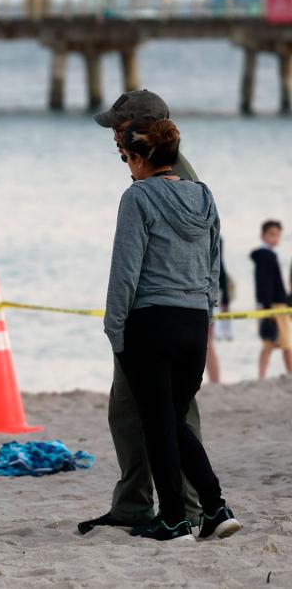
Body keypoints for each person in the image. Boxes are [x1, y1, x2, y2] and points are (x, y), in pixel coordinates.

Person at [103, 116, 240, 541]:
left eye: (127, 156)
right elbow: (214, 260)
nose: (127, 165)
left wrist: (114, 328)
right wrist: (207, 313)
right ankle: (213, 509)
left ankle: (176, 519)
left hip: (151, 323)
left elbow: (125, 271)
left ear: (143, 157)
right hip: (194, 322)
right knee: (173, 420)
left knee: (159, 423)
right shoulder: (203, 195)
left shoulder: (138, 197)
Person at [79, 89, 204, 534]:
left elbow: (139, 262)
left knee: (173, 412)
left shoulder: (164, 180)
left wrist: (117, 325)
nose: (112, 137)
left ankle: (188, 507)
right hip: (157, 316)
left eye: (118, 128)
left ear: (140, 131)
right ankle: (134, 502)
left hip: (155, 320)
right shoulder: (146, 170)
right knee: (127, 409)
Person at [250, 220, 292, 378]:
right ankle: (290, 375)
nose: (276, 238)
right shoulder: (267, 256)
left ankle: (261, 377)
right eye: (272, 234)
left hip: (269, 305)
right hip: (274, 305)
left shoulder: (265, 255)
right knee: (287, 344)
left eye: (278, 235)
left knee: (268, 344)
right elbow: (266, 284)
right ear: (263, 235)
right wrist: (268, 309)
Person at [205, 238, 230, 384]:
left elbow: (220, 267)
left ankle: (215, 382)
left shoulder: (216, 236)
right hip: (207, 295)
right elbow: (221, 267)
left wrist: (225, 298)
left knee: (208, 343)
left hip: (205, 296)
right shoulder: (215, 234)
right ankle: (214, 382)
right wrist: (225, 298)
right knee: (208, 344)